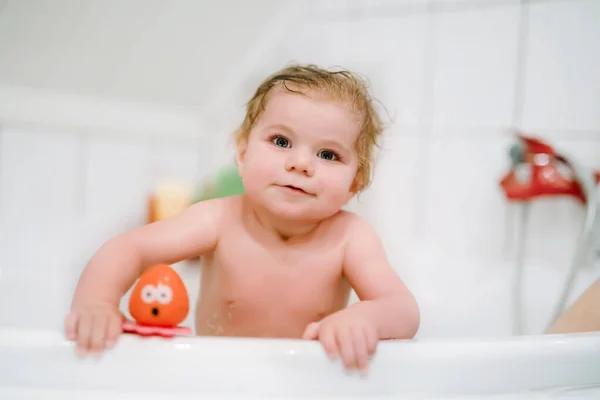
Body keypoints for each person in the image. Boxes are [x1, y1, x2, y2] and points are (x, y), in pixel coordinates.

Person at [65, 64, 420, 374]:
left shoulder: (350, 237)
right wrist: (97, 303)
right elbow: (130, 248)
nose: (300, 163)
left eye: (328, 154)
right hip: (215, 379)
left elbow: (402, 309)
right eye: (281, 141)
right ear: (243, 152)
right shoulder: (219, 219)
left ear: (354, 183)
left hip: (304, 384)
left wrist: (364, 318)